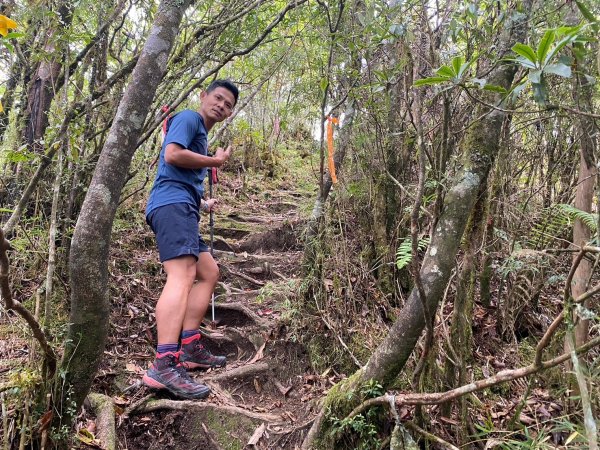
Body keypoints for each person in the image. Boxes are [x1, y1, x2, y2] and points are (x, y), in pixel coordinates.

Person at [142, 79, 239, 399]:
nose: (221, 106)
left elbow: (177, 174)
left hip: (183, 205)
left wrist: (203, 203)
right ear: (204, 96)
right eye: (218, 98)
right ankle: (164, 363)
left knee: (209, 272)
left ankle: (189, 346)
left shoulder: (201, 131)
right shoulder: (189, 118)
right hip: (171, 206)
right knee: (182, 275)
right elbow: (171, 155)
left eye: (228, 105)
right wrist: (214, 161)